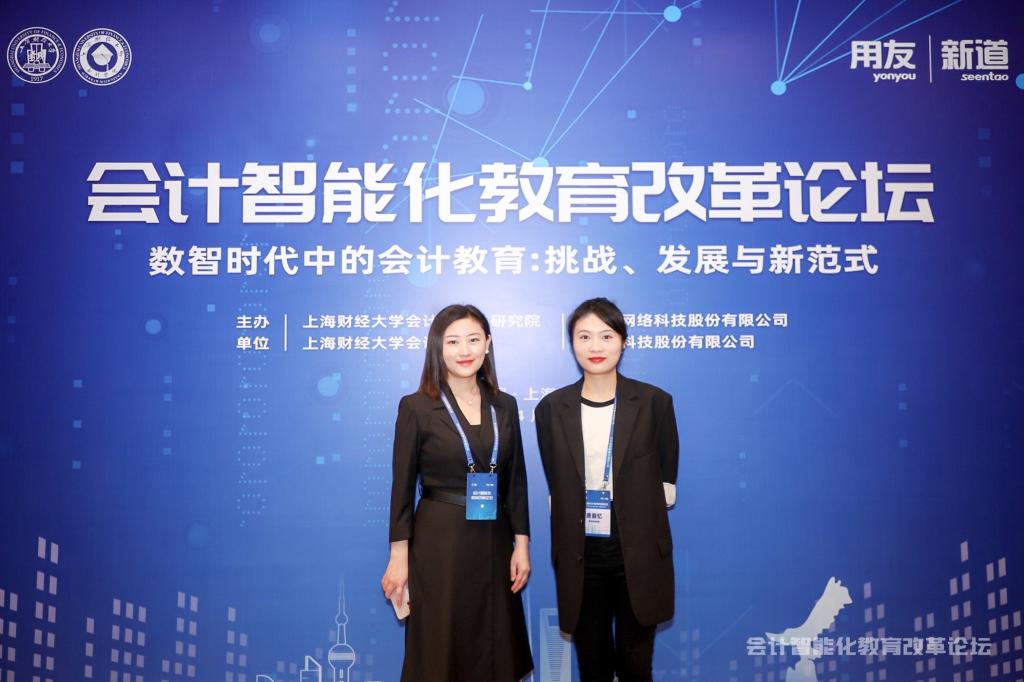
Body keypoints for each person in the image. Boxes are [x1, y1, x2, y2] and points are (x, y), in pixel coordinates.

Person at [381, 303, 534, 681]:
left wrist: (522, 545)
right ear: (438, 347)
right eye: (453, 342)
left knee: (494, 643)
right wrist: (399, 557)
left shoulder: (505, 405)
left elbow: (516, 481)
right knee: (441, 646)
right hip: (440, 542)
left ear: (488, 344)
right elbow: (402, 488)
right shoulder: (417, 407)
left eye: (473, 340)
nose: (464, 351)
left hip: (494, 539)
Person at [534, 297, 679, 682]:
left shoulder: (654, 403)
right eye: (584, 336)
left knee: (636, 665)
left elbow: (666, 474)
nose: (595, 346)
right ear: (571, 343)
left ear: (623, 341)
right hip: (581, 549)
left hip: (639, 546)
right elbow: (556, 476)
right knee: (592, 664)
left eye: (606, 336)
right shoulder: (551, 409)